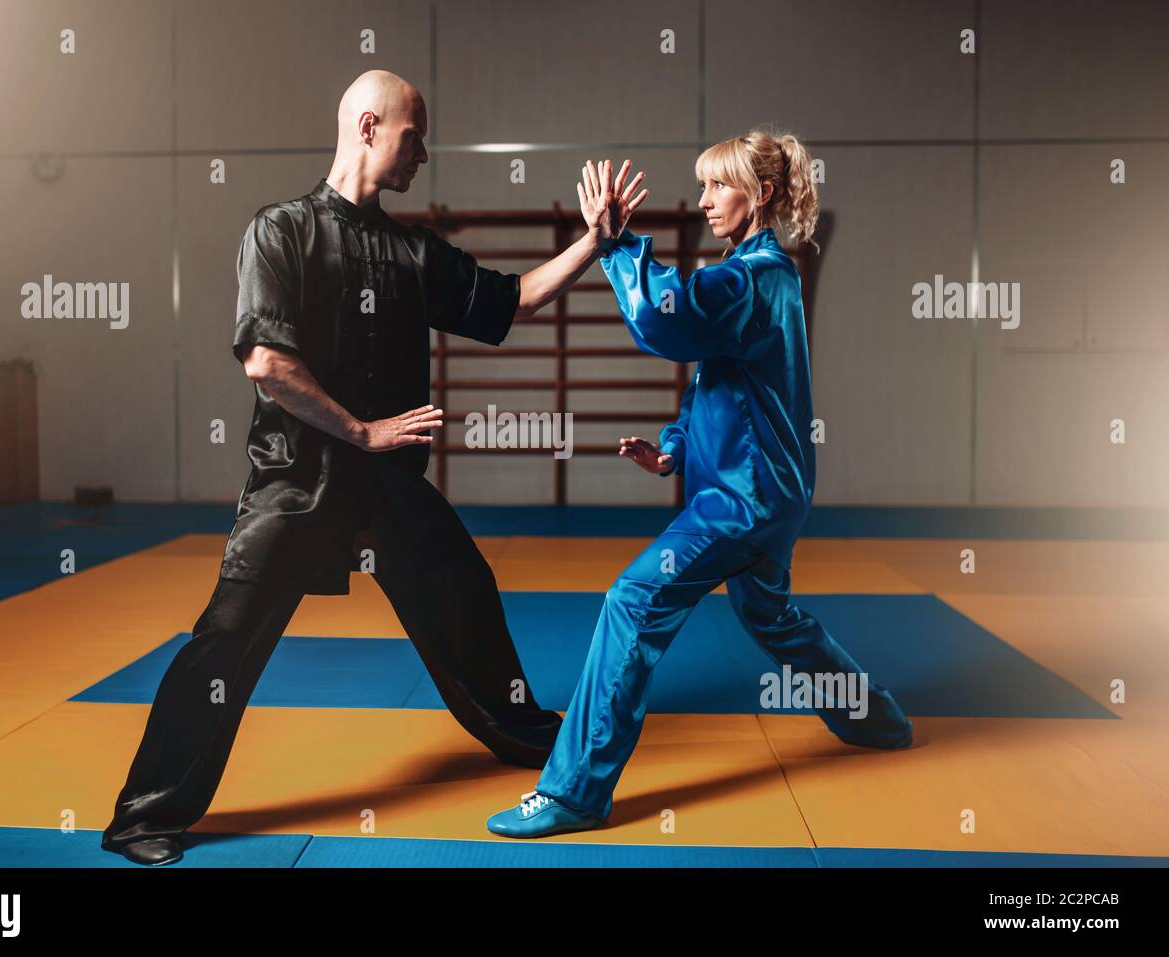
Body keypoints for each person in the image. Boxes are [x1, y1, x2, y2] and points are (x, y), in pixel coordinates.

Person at [101, 70, 637, 865]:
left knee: (465, 593)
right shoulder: (278, 231)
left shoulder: (410, 252)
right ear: (366, 126)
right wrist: (363, 430)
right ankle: (144, 816)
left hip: (387, 491)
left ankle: (536, 747)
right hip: (295, 482)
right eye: (413, 134)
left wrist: (596, 241)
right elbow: (265, 362)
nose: (424, 151)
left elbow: (514, 301)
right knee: (224, 642)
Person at [486, 132, 914, 839]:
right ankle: (878, 717)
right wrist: (673, 452)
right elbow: (717, 385)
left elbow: (661, 316)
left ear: (763, 195)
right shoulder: (761, 275)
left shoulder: (749, 279)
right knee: (773, 619)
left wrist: (616, 244)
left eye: (719, 187)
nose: (706, 200)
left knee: (633, 598)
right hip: (769, 494)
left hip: (741, 503)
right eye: (705, 185)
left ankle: (572, 791)